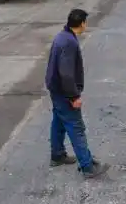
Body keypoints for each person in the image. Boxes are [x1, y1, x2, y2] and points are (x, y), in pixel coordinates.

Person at [46, 9, 110, 178]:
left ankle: (57, 155)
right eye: (85, 22)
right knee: (76, 126)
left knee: (59, 121)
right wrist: (73, 96)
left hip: (55, 88)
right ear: (82, 23)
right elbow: (66, 73)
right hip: (63, 91)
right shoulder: (69, 43)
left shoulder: (62, 36)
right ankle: (87, 166)